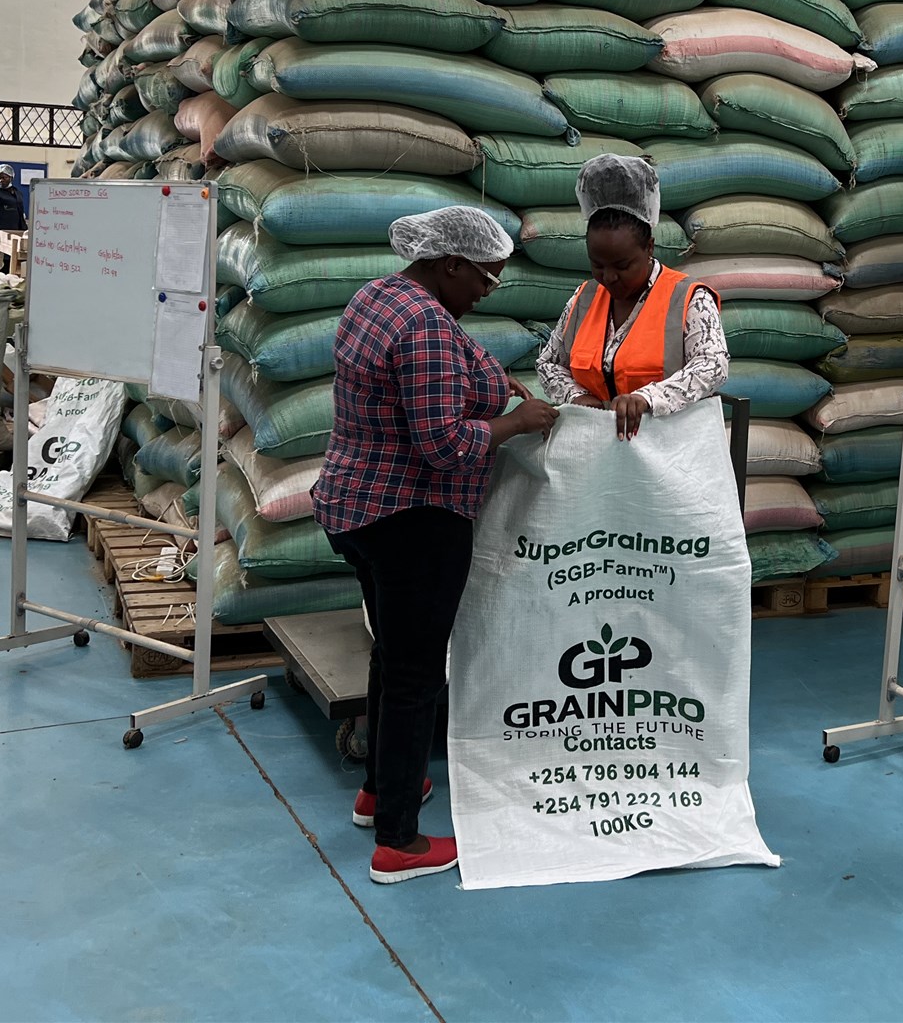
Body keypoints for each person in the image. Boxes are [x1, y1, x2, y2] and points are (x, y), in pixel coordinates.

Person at [311, 205, 558, 885]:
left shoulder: (382, 296)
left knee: (391, 658)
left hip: (355, 511)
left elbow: (453, 357)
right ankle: (398, 844)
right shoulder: (424, 325)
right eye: (487, 278)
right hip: (411, 519)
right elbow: (445, 446)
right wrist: (516, 421)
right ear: (450, 263)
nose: (489, 291)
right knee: (418, 674)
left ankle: (380, 790)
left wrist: (490, 381)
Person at [537, 154, 730, 440]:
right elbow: (548, 363)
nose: (609, 277)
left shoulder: (688, 299)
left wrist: (648, 398)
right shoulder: (585, 297)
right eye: (598, 265)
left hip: (668, 451)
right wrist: (575, 395)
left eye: (622, 266)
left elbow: (713, 364)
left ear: (649, 247)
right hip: (597, 443)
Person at [0, 164, 28, 271]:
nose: (0, 180)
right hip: (1, 233)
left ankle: (8, 279)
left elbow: (20, 214)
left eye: (4, 177)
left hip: (16, 231)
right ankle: (2, 278)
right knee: (6, 261)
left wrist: (24, 231)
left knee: (16, 261)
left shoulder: (18, 193)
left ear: (11, 177)